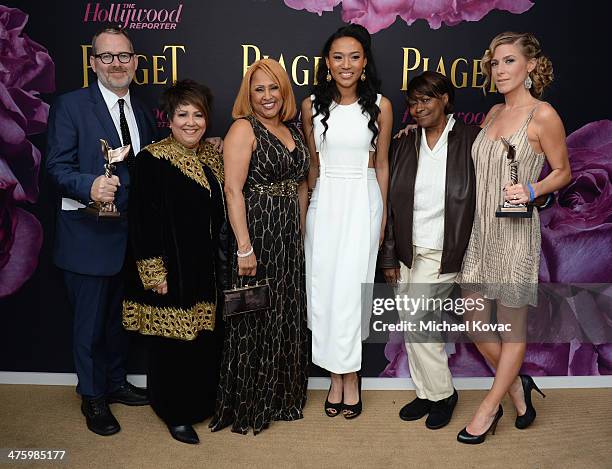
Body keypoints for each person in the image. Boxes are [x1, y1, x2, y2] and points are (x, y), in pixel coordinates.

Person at [456, 32, 571, 444]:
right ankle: (518, 386)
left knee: (510, 328)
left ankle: (488, 408)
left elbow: (563, 171)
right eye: (494, 63)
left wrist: (532, 189)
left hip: (516, 235)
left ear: (531, 66)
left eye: (508, 61)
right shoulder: (490, 113)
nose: (499, 70)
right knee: (473, 319)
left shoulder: (542, 115)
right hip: (482, 232)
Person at [46, 27, 156, 436]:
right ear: (93, 63)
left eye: (123, 56)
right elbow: (55, 168)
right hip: (87, 237)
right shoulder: (71, 106)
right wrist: (88, 185)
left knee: (116, 321)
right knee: (89, 325)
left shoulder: (142, 112)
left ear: (135, 62)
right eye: (106, 57)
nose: (116, 64)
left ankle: (114, 382)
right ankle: (92, 397)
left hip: (129, 238)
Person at [121, 80, 225, 445]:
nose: (192, 122)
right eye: (183, 114)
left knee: (203, 341)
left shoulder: (212, 156)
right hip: (172, 267)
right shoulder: (152, 159)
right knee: (172, 345)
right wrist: (154, 272)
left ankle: (202, 405)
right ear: (169, 118)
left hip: (206, 267)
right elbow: (142, 220)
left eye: (199, 115)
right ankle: (174, 413)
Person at [209, 58, 310, 435]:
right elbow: (233, 190)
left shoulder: (293, 131)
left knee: (284, 315)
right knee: (254, 317)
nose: (267, 96)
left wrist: (299, 234)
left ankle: (282, 397)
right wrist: (244, 247)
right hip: (256, 234)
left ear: (284, 91)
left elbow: (300, 185)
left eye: (274, 88)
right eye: (259, 89)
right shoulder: (243, 129)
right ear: (248, 94)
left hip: (287, 238)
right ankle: (250, 403)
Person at [302, 24, 393, 419]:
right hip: (325, 200)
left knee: (353, 293)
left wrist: (383, 215)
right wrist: (306, 211)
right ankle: (333, 377)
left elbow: (383, 164)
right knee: (323, 290)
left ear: (365, 61)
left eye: (354, 56)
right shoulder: (310, 106)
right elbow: (311, 164)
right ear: (327, 62)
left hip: (362, 197)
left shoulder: (381, 106)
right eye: (338, 56)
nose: (346, 64)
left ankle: (350, 377)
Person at [380, 71, 479, 429]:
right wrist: (390, 255)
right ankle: (425, 392)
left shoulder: (472, 140)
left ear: (445, 100)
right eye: (413, 102)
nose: (417, 108)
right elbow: (391, 205)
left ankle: (443, 394)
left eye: (426, 100)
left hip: (444, 250)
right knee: (411, 323)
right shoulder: (406, 142)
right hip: (408, 249)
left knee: (419, 321)